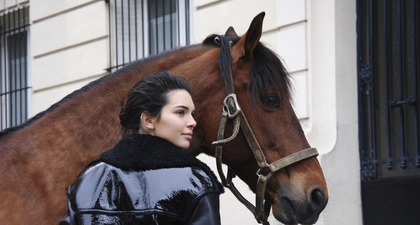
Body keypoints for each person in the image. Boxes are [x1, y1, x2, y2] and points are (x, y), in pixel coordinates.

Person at [59, 71, 224, 225]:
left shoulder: (90, 179)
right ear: (148, 120)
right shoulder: (195, 182)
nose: (192, 122)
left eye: (192, 114)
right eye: (181, 112)